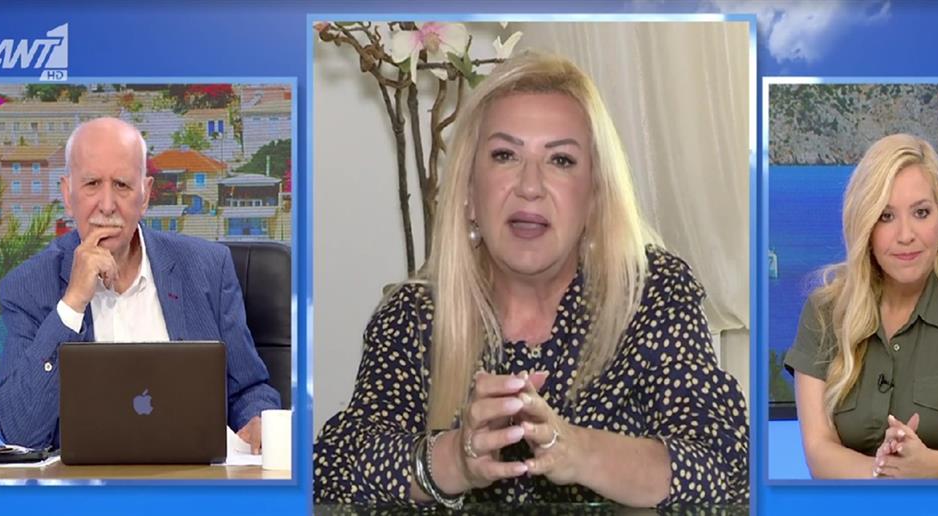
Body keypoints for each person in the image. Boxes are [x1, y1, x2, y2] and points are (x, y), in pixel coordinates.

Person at [313, 51, 748, 508]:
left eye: (560, 160)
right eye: (505, 155)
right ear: (469, 192)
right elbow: (333, 470)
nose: (530, 186)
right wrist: (455, 460)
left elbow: (725, 463)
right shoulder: (414, 316)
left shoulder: (652, 293)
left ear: (594, 196)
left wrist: (578, 451)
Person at [0, 117, 281, 452]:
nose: (107, 205)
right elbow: (18, 431)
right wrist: (72, 305)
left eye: (122, 185)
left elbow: (248, 390)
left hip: (191, 479)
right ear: (68, 195)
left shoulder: (207, 269)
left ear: (145, 195)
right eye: (91, 184)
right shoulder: (28, 287)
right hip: (86, 485)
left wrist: (258, 419)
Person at [784, 133, 938, 479]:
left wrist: (926, 466)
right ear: (866, 226)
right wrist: (885, 473)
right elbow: (819, 451)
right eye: (886, 216)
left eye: (921, 212)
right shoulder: (824, 313)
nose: (905, 235)